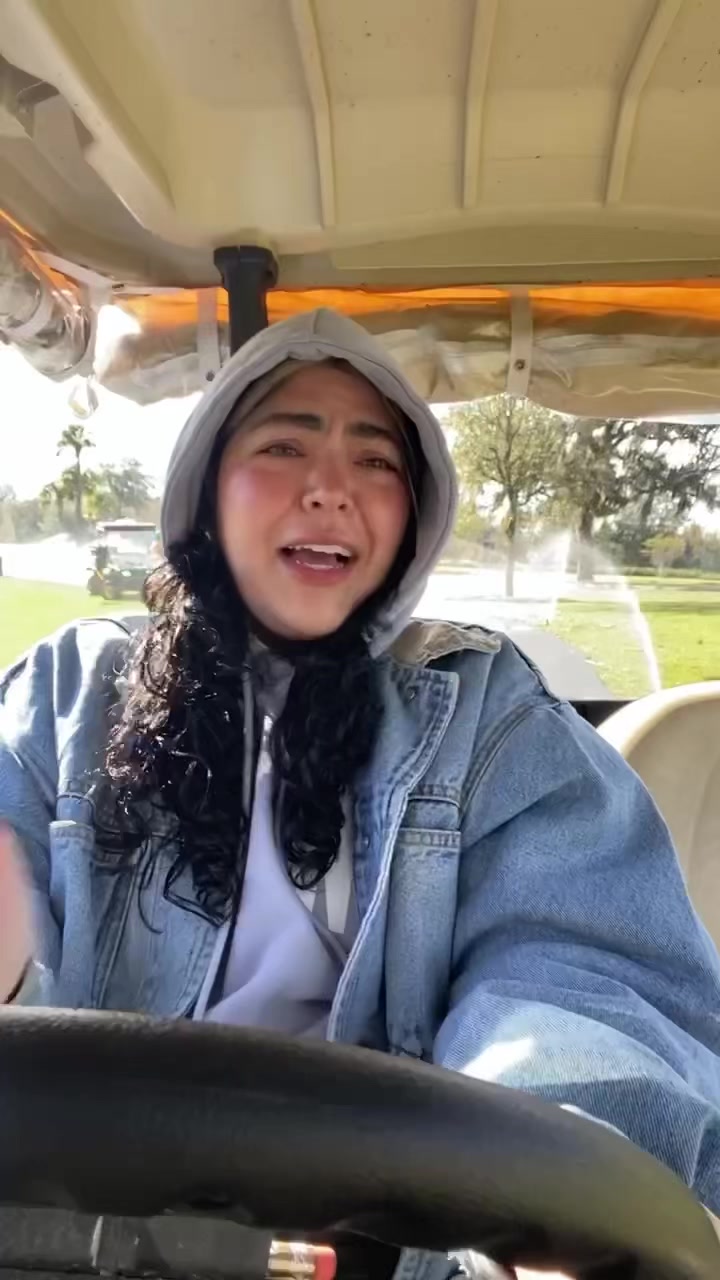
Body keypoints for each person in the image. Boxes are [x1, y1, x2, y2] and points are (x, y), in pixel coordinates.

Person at [1, 308, 720, 1275]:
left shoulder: (486, 714)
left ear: (413, 516)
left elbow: (571, 973)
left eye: (376, 460)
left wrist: (562, 1177)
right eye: (284, 445)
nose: (331, 487)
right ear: (206, 488)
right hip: (82, 1233)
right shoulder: (66, 695)